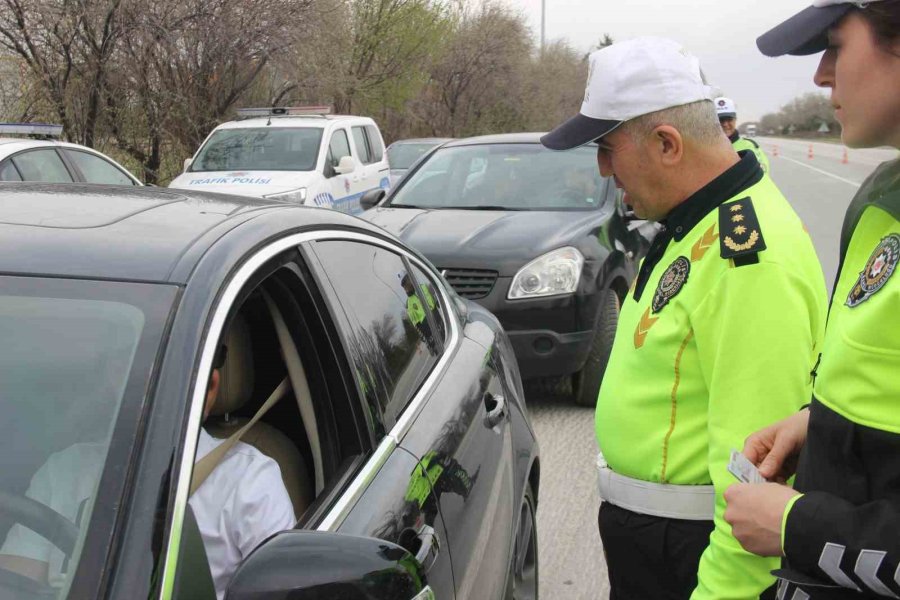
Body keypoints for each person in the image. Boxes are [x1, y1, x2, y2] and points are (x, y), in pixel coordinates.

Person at [541, 37, 827, 599]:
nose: (603, 169)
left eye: (608, 148)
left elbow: (755, 481)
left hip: (690, 552)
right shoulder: (699, 217)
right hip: (657, 539)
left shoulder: (747, 256)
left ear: (667, 144)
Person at [723, 2, 900, 598]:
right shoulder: (884, 193)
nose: (822, 74)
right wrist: (820, 426)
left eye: (836, 45)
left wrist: (801, 526)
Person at [0, 343, 295, 599]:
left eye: (159, 366)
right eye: (124, 364)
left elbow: (284, 590)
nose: (139, 380)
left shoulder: (249, 480)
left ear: (210, 388)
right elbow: (15, 583)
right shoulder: (64, 468)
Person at [715, 97, 771, 173]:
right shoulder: (704, 149)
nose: (725, 124)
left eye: (729, 119)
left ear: (735, 119)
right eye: (720, 120)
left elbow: (762, 174)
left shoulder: (750, 146)